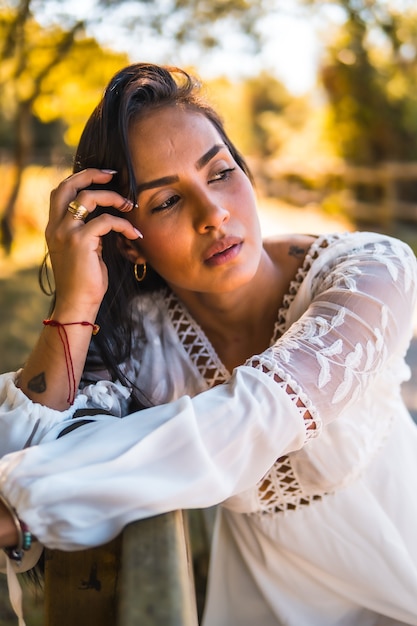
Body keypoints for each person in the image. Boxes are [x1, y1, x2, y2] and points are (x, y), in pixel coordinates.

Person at [0, 62, 417, 626]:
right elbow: (21, 444)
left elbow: (260, 412)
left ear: (246, 172)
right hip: (263, 605)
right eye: (166, 201)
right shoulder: (140, 342)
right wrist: (74, 301)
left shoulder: (371, 272)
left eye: (219, 173)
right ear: (129, 244)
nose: (213, 214)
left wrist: (31, 505)